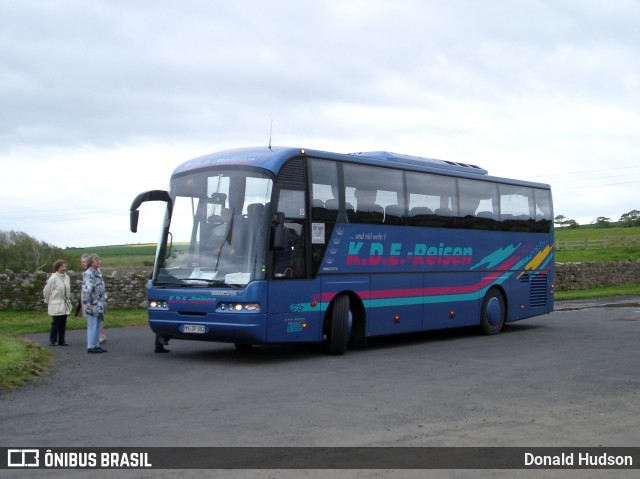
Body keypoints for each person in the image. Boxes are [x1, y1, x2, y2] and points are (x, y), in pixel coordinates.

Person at [82, 254, 108, 353]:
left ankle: (96, 345)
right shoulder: (89, 273)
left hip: (99, 303)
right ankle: (91, 346)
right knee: (92, 325)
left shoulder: (98, 272)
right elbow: (87, 289)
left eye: (98, 260)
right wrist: (87, 302)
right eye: (96, 260)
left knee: (97, 325)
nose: (99, 262)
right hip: (92, 303)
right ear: (91, 263)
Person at [43, 259, 71, 346]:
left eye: (65, 266)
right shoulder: (53, 278)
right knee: (56, 323)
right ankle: (52, 340)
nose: (64, 268)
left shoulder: (67, 277)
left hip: (64, 303)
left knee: (63, 322)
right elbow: (46, 291)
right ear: (57, 267)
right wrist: (48, 301)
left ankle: (61, 340)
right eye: (62, 266)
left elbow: (67, 290)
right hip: (56, 303)